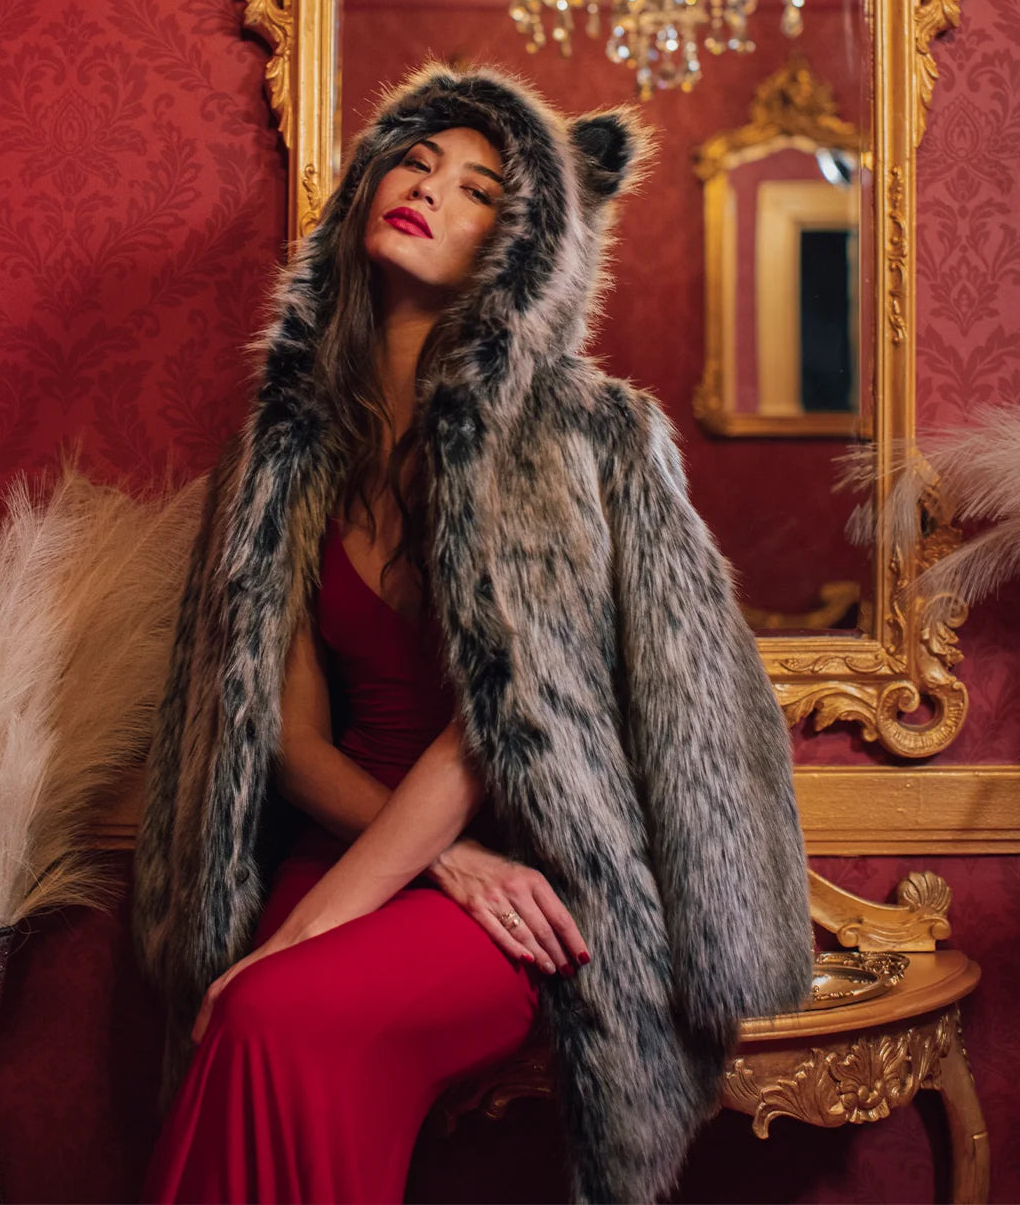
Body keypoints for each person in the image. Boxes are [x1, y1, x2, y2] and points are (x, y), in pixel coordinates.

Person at [133, 61, 814, 1205]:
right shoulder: (283, 456)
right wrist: (430, 868)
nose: (430, 188)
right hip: (368, 843)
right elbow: (288, 738)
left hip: (530, 880)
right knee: (261, 1028)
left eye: (480, 188)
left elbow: (496, 729)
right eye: (414, 162)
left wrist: (307, 937)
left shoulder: (577, 437)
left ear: (523, 248)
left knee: (267, 1009)